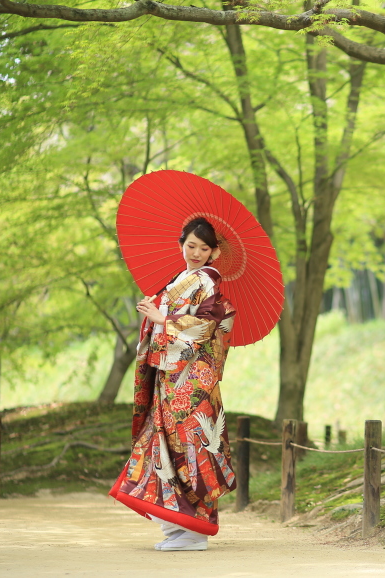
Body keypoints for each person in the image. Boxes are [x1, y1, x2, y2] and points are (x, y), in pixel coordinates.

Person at [109, 217, 237, 551]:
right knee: (165, 445)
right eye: (191, 245)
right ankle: (178, 526)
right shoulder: (182, 279)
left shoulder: (206, 282)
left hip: (191, 384)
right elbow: (172, 320)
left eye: (204, 248)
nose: (196, 252)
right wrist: (156, 311)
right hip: (173, 378)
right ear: (181, 243)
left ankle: (194, 529)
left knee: (190, 448)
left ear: (215, 252)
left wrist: (162, 318)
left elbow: (207, 326)